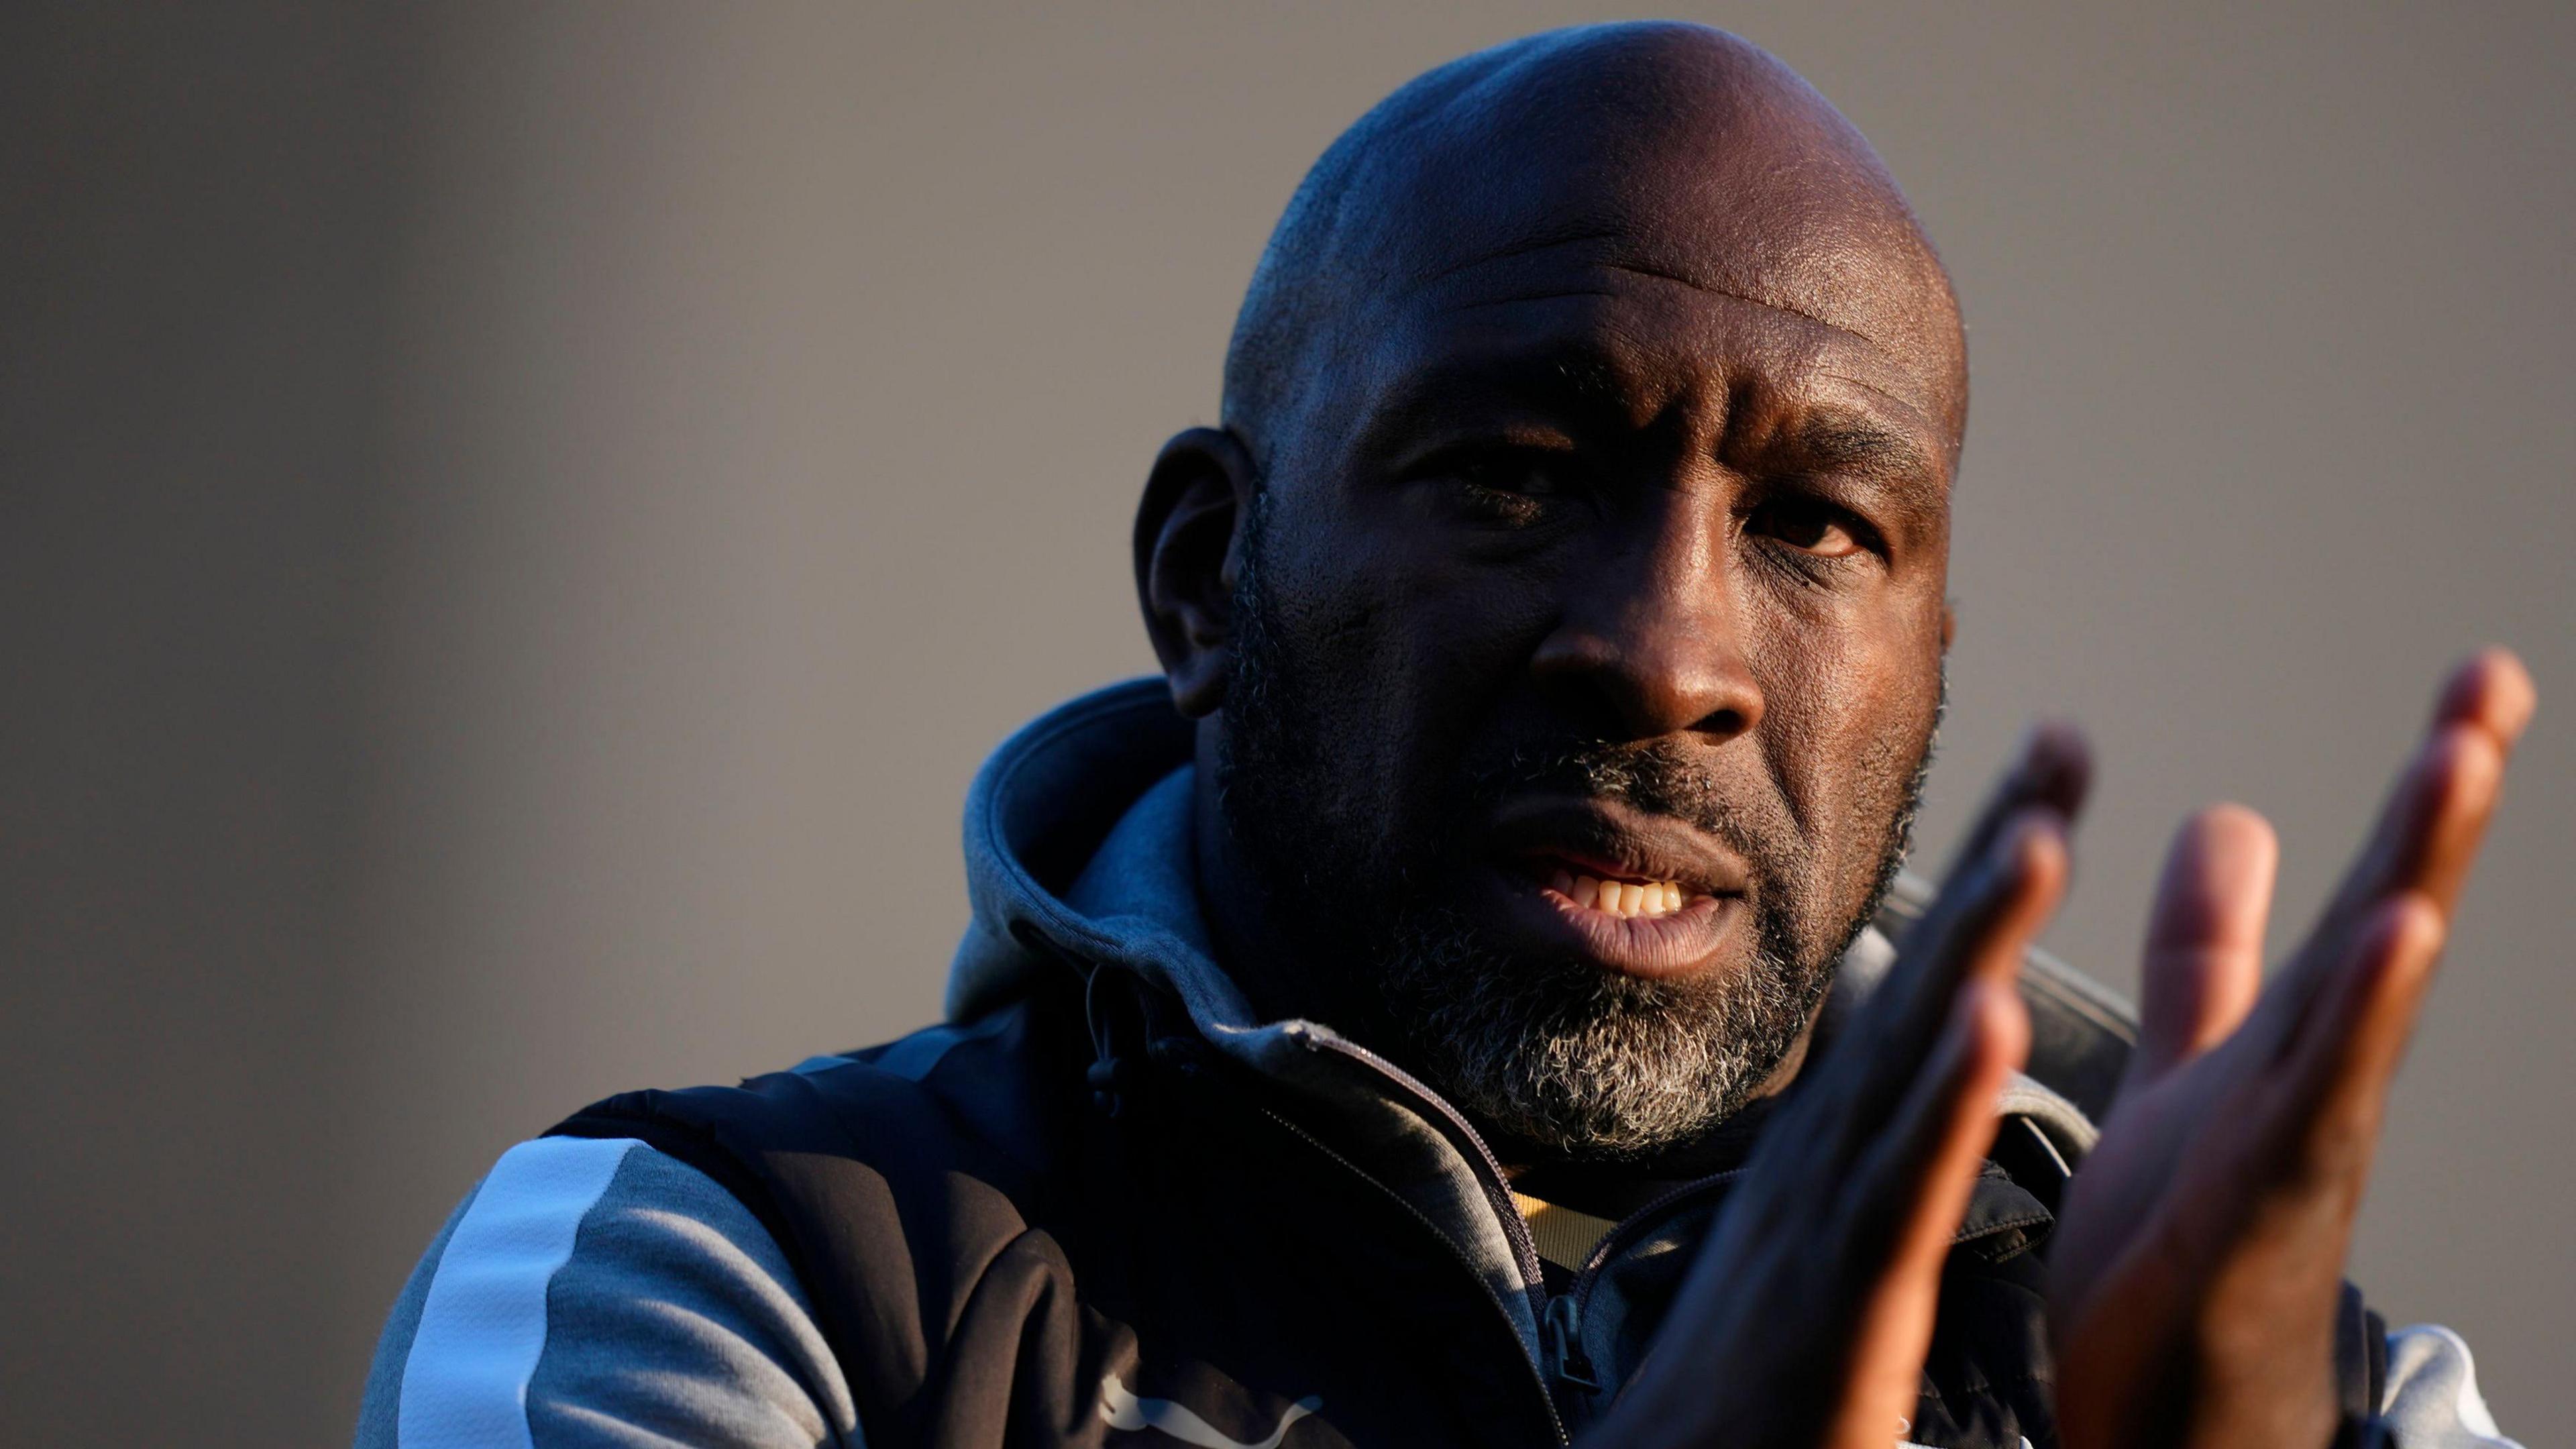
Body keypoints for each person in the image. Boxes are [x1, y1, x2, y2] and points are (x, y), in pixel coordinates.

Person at [356, 23, 2534, 1449]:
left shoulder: (2302, 1391)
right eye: (1515, 474)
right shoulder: (735, 1274)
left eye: (1815, 526)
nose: (1669, 648)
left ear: (1935, 655)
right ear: (1209, 582)